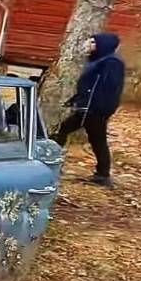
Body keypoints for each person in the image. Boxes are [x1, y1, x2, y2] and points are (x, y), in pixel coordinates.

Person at [52, 33, 125, 187]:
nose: (90, 45)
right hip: (86, 108)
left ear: (103, 44)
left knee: (97, 140)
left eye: (93, 42)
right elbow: (87, 86)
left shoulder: (112, 63)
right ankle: (52, 161)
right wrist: (76, 99)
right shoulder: (97, 60)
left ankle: (103, 175)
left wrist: (96, 107)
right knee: (64, 129)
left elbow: (108, 89)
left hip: (95, 110)